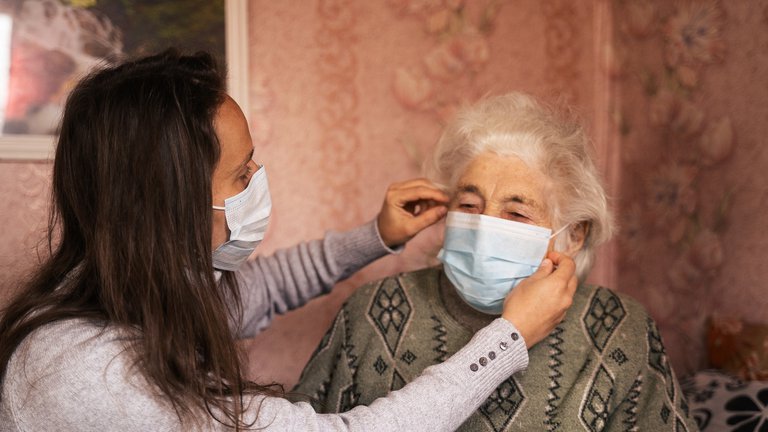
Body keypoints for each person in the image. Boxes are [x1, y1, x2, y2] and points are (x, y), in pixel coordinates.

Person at [0, 51, 579, 431]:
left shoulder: (149, 291)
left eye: (515, 211)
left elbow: (263, 288)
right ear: (168, 207)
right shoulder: (89, 375)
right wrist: (510, 337)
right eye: (241, 174)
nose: (258, 183)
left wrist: (376, 236)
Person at [294, 93, 699, 431]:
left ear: (573, 235)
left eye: (517, 214)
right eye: (469, 205)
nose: (484, 227)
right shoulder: (371, 310)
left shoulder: (618, 326)